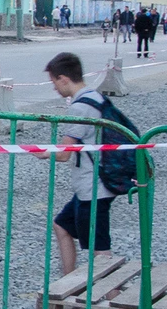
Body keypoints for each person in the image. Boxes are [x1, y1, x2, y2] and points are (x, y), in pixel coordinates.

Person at [46, 52, 116, 276]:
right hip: (96, 183)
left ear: (64, 79)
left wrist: (42, 152)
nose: (54, 88)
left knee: (99, 249)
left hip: (92, 187)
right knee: (62, 225)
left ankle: (114, 296)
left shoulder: (80, 108)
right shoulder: (96, 97)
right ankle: (68, 284)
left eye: (54, 82)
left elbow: (64, 153)